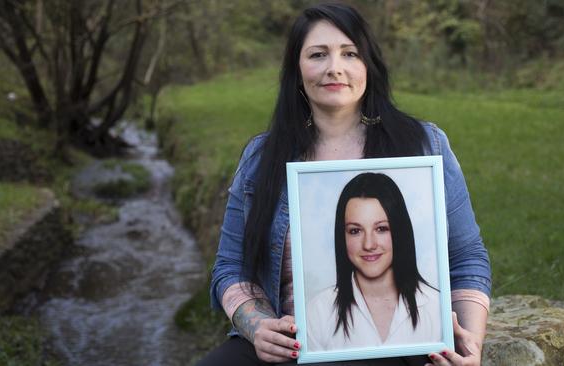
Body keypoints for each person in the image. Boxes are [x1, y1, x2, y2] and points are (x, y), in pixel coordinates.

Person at [197, 3, 491, 366]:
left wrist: (469, 345)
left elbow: (466, 258)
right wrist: (258, 327)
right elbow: (230, 266)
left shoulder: (423, 145)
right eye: (318, 55)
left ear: (368, 65)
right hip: (290, 346)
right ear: (297, 70)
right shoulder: (262, 158)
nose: (334, 68)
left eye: (349, 53)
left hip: (404, 344)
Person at [306, 172, 441, 352]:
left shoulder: (437, 308)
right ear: (342, 237)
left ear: (399, 231)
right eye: (355, 231)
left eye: (381, 229)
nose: (369, 244)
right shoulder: (318, 313)